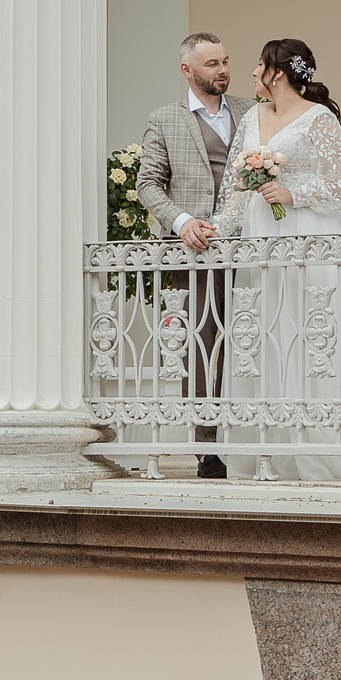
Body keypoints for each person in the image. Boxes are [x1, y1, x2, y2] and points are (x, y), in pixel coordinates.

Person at [208, 37, 341, 482]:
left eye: (259, 64)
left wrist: (291, 192)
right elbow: (239, 188)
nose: (252, 72)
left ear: (277, 72)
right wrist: (218, 228)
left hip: (309, 235)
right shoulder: (252, 117)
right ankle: (271, 447)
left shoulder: (318, 118)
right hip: (261, 238)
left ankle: (329, 443)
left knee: (315, 327)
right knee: (268, 328)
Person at [135, 33, 251, 479]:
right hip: (196, 252)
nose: (222, 71)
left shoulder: (250, 111)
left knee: (251, 339)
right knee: (201, 345)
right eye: (211, 64)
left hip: (248, 247)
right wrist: (182, 222)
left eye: (225, 62)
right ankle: (208, 447)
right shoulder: (165, 119)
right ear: (187, 70)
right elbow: (148, 184)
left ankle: (251, 436)